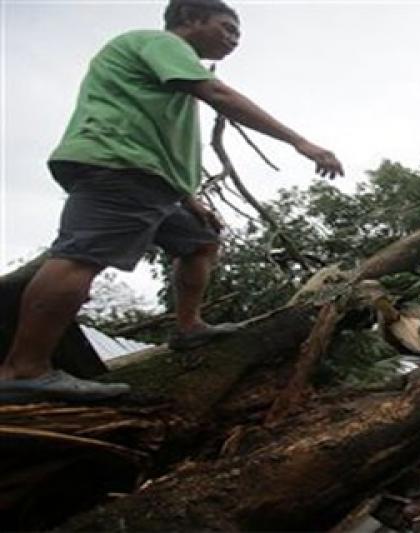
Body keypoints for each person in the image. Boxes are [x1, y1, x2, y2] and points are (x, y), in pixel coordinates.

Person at [0, 0, 344, 402]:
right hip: (119, 165)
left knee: (200, 239)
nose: (234, 39)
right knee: (81, 256)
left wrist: (190, 200)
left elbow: (159, 139)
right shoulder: (161, 44)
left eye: (238, 34)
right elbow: (218, 93)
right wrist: (300, 142)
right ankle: (23, 368)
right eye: (226, 27)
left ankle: (188, 327)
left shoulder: (168, 72)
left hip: (151, 179)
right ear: (189, 19)